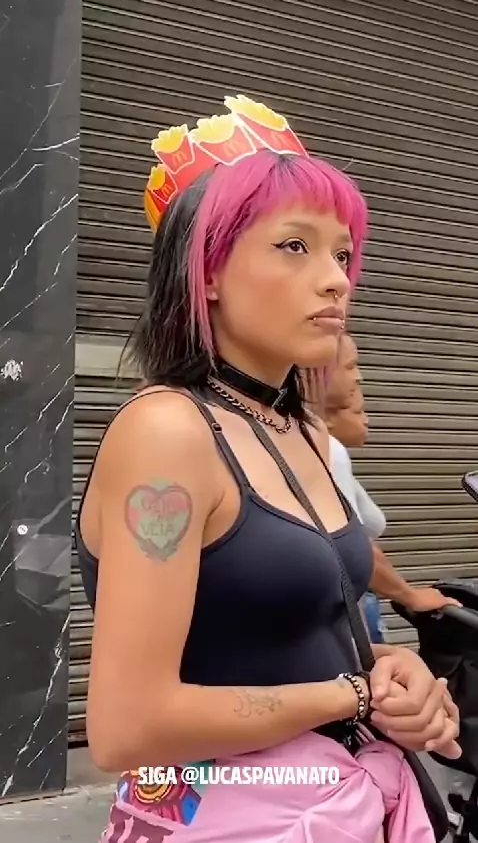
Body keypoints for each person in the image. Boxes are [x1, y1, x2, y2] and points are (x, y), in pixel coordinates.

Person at [76, 95, 460, 842]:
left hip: (341, 804)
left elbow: (289, 639)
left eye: (342, 254)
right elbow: (127, 728)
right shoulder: (168, 433)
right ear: (207, 272)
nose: (337, 281)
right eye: (294, 246)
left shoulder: (302, 429)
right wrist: (352, 696)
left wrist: (395, 673)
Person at [324, 333, 461, 643]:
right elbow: (350, 544)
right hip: (347, 611)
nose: (358, 377)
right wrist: (409, 595)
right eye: (350, 366)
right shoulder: (328, 450)